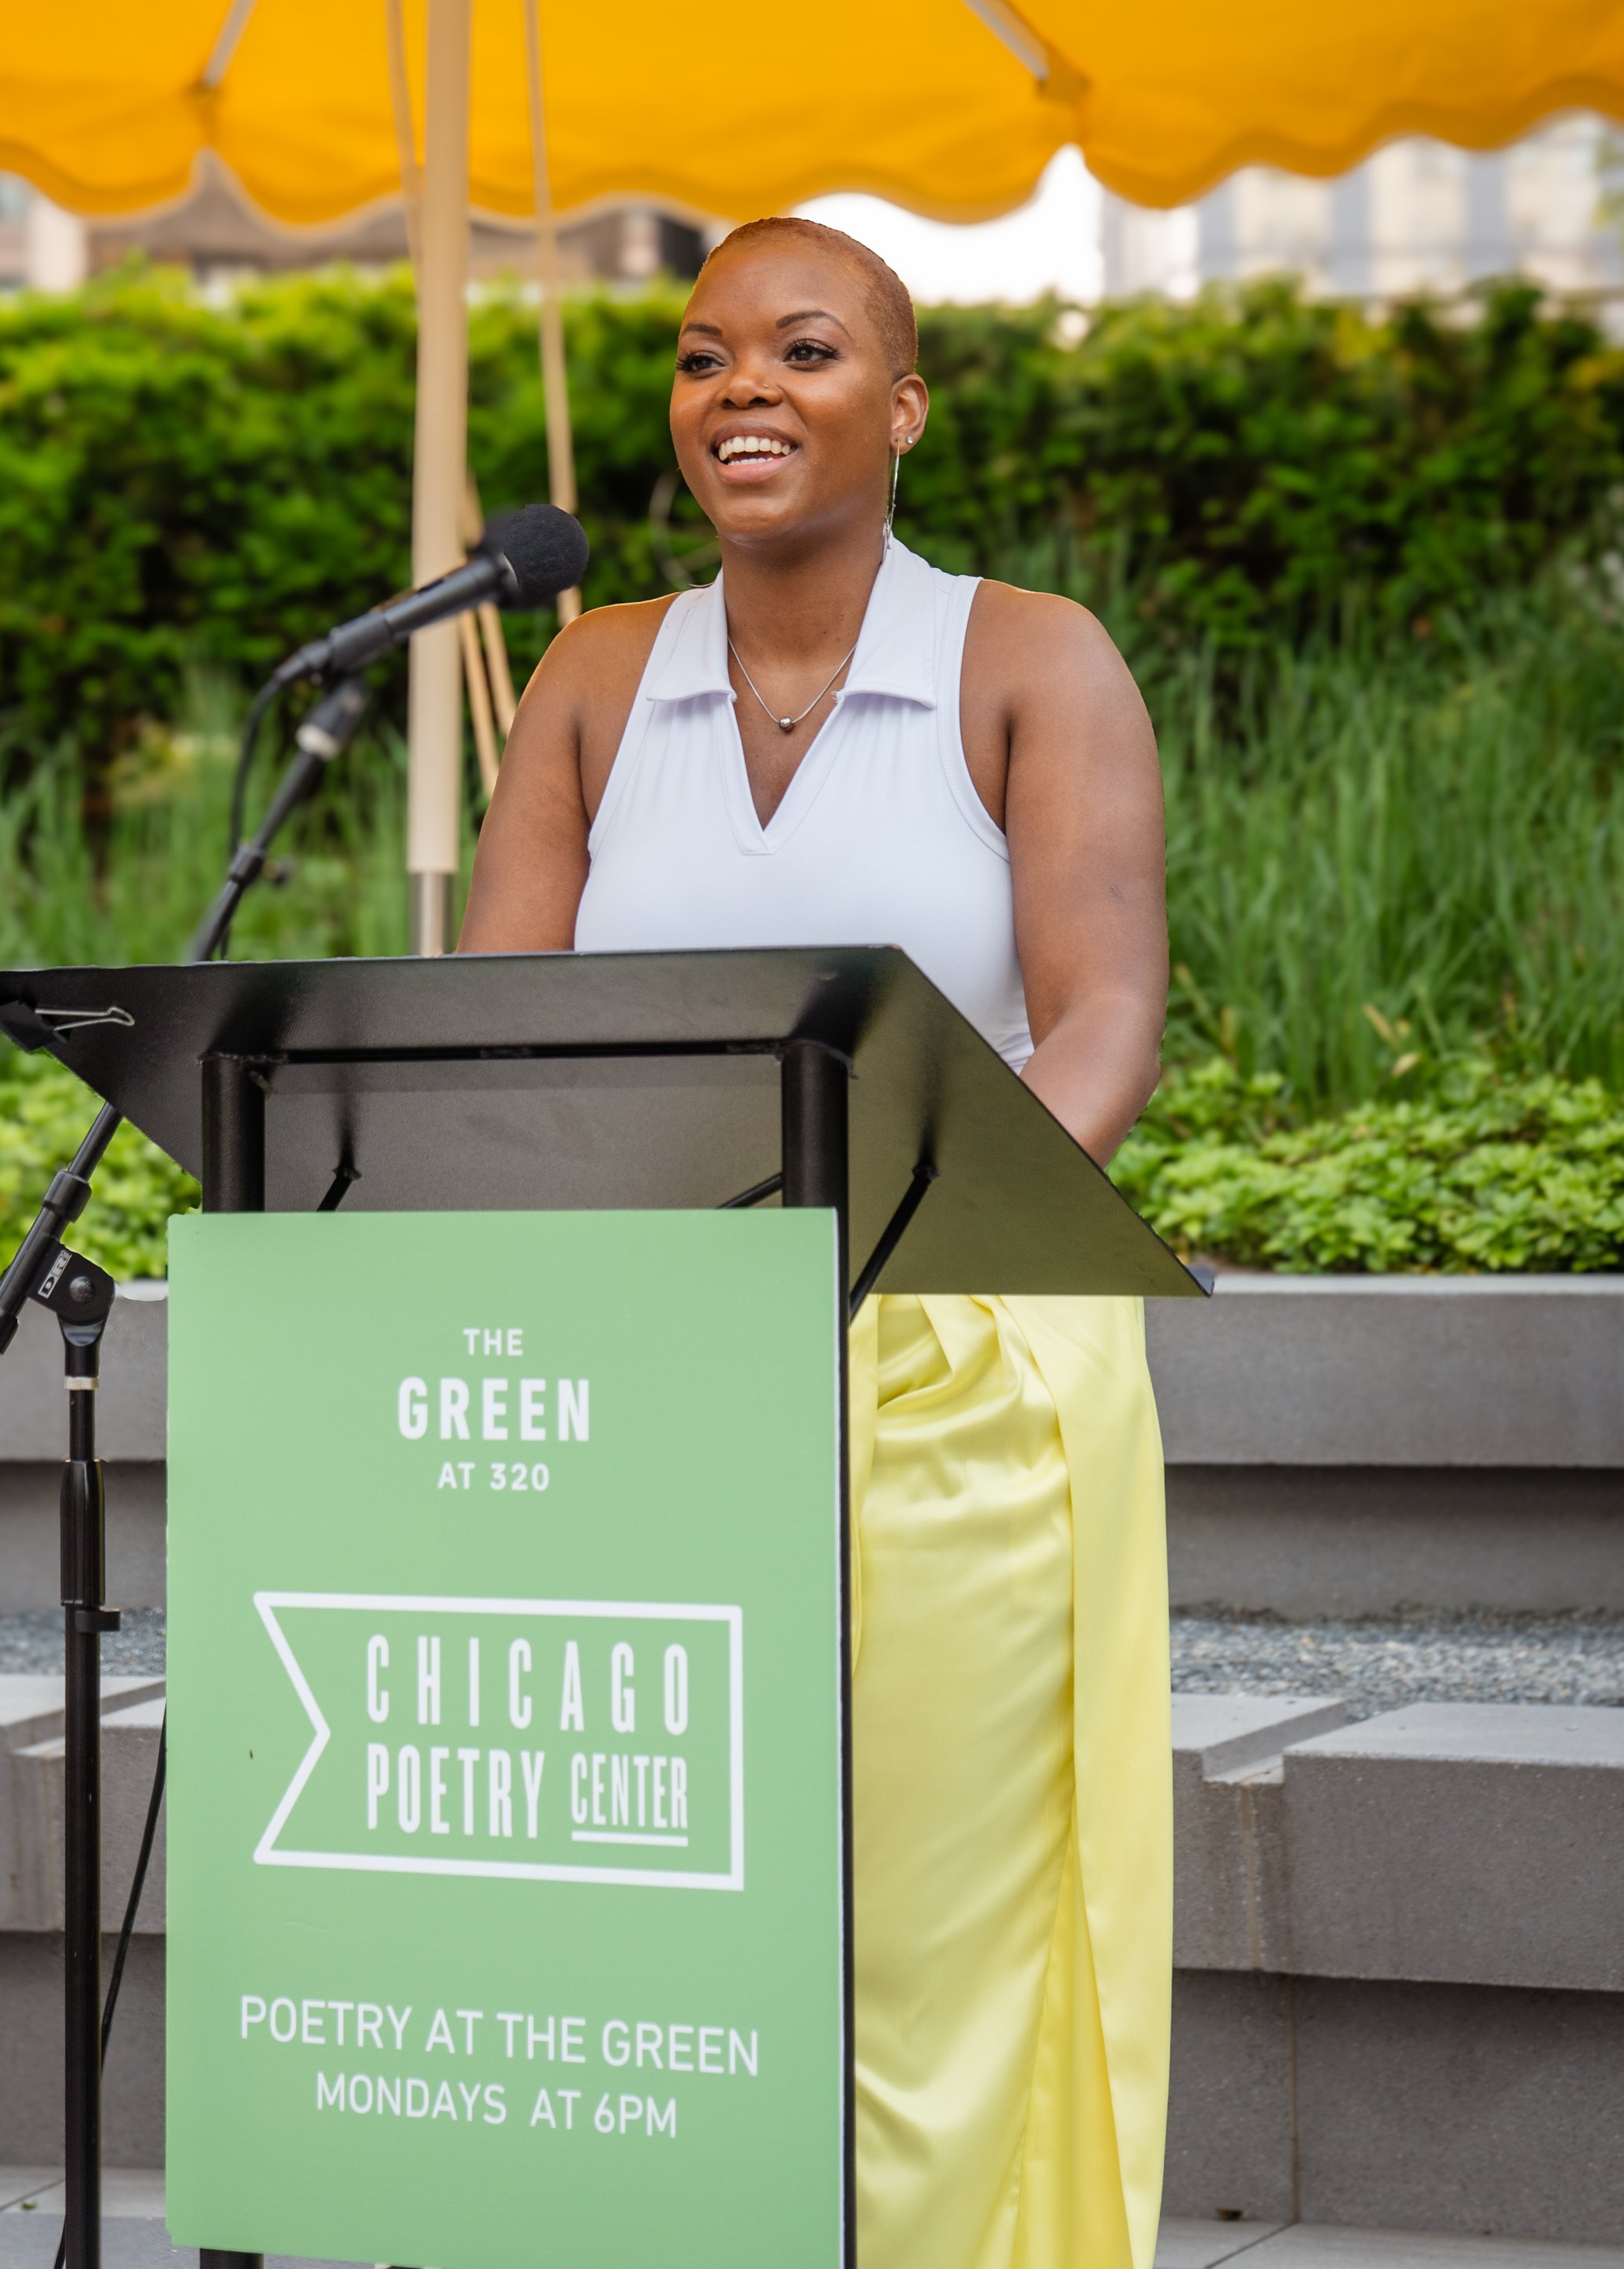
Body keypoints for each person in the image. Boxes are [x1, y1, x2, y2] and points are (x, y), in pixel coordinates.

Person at [459, 213, 1173, 2269]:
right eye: (700, 359)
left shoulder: (1030, 657)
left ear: (904, 404)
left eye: (800, 350)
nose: (739, 390)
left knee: (913, 1930)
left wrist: (895, 1254)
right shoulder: (592, 678)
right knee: (662, 1915)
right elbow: (491, 1032)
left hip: (944, 1353)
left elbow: (1103, 1018)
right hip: (644, 1370)